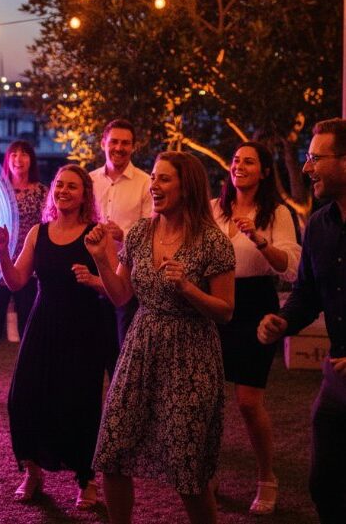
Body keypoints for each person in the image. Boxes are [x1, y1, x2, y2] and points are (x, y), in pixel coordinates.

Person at [85, 151, 235, 524]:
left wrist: (188, 288)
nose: (154, 185)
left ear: (188, 187)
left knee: (188, 469)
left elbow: (226, 310)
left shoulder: (213, 243)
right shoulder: (138, 234)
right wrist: (102, 259)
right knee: (113, 451)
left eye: (164, 179)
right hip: (142, 345)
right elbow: (121, 295)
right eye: (152, 178)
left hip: (191, 355)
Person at [0, 165, 114, 508]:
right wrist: (1, 251)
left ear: (85, 195)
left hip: (83, 329)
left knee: (79, 402)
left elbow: (119, 289)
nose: (63, 191)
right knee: (24, 397)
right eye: (59, 185)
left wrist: (94, 280)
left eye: (72, 186)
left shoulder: (95, 235)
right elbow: (16, 281)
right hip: (43, 324)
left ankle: (86, 480)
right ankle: (32, 471)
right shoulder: (38, 233)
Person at [257, 118, 346, 524]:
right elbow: (308, 293)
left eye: (315, 158)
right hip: (338, 377)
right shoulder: (319, 226)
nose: (307, 168)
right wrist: (282, 320)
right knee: (325, 483)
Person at [211, 141, 301, 515]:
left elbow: (291, 267)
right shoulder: (215, 208)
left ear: (264, 171)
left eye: (249, 161)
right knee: (209, 399)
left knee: (248, 402)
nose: (239, 166)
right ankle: (206, 472)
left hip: (254, 307)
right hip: (215, 302)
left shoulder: (276, 212)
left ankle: (267, 477)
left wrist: (259, 240)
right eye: (236, 160)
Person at [0, 140, 47, 406]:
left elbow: (47, 229)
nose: (19, 159)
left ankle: (27, 392)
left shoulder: (41, 192)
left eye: (25, 154)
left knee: (30, 330)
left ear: (31, 161)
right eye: (14, 154)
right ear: (8, 159)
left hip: (29, 270)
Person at [89, 119, 153, 355]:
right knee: (92, 348)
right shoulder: (90, 181)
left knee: (123, 347)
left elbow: (151, 232)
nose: (119, 147)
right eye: (114, 141)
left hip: (126, 277)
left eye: (125, 143)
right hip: (91, 272)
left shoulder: (146, 183)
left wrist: (123, 234)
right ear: (103, 143)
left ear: (133, 147)